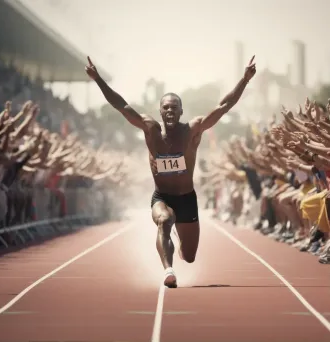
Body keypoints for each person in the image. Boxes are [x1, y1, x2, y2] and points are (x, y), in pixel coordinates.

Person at [85, 55, 256, 288]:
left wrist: (244, 79)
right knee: (164, 220)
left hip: (187, 198)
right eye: (165, 108)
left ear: (181, 111)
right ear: (160, 111)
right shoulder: (150, 129)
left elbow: (223, 107)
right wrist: (97, 79)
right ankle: (168, 270)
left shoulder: (193, 130)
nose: (169, 111)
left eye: (174, 108)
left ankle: (178, 240)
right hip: (162, 197)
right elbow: (121, 106)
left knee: (190, 256)